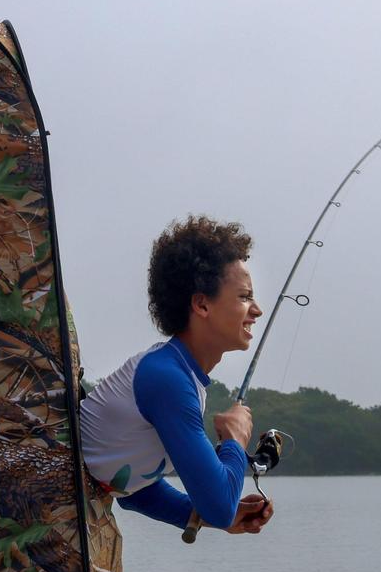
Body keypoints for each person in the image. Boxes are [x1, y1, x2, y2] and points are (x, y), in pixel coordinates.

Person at [79, 215, 274, 535]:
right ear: (201, 304)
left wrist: (203, 516)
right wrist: (235, 439)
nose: (256, 310)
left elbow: (130, 487)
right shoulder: (167, 379)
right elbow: (220, 506)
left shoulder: (182, 379)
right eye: (244, 296)